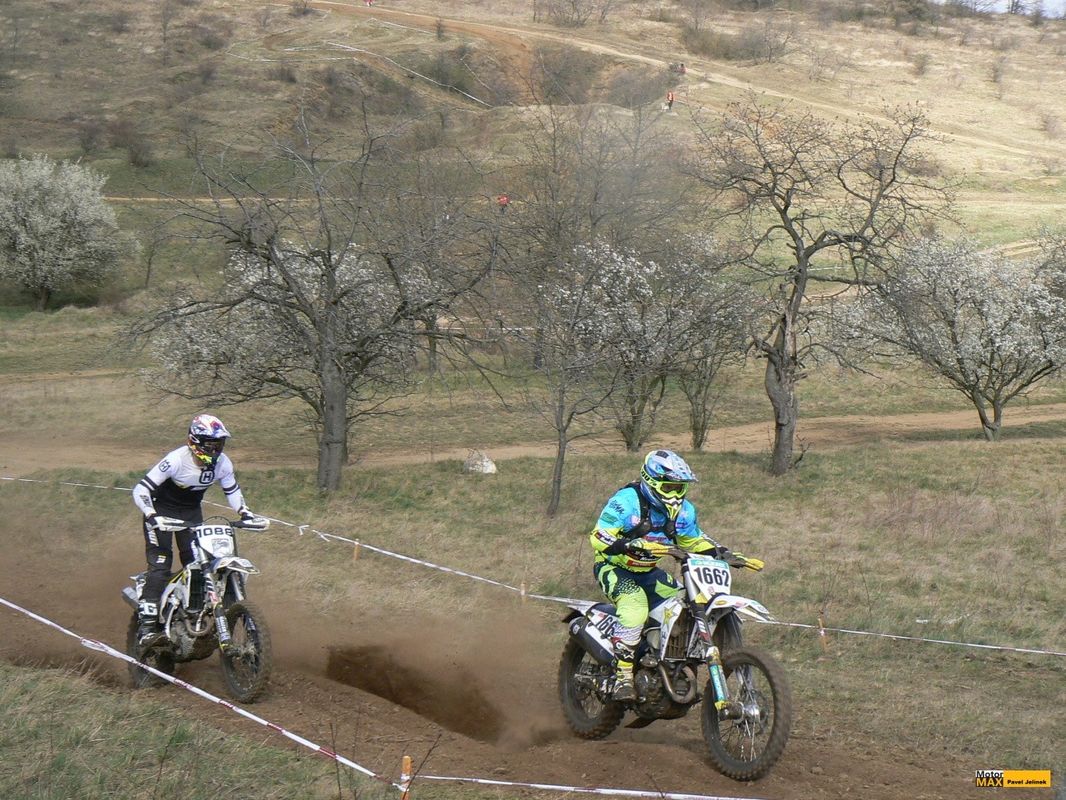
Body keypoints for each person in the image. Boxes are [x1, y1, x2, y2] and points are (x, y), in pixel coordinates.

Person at [588, 449, 762, 701]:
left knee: (685, 605)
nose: (675, 494)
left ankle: (664, 661)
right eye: (669, 487)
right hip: (614, 568)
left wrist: (725, 553)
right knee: (635, 606)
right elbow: (599, 535)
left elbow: (693, 540)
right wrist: (629, 544)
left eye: (680, 488)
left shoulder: (684, 511)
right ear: (652, 482)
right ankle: (622, 678)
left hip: (648, 572)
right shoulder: (626, 501)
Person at [131, 414, 267, 646]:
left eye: (219, 444)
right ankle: (146, 629)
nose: (216, 450)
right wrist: (152, 515)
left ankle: (195, 612)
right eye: (211, 445)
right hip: (161, 512)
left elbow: (232, 490)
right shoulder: (176, 460)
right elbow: (140, 489)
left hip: (191, 514)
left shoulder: (223, 463)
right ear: (195, 442)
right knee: (161, 566)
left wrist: (245, 513)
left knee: (198, 564)